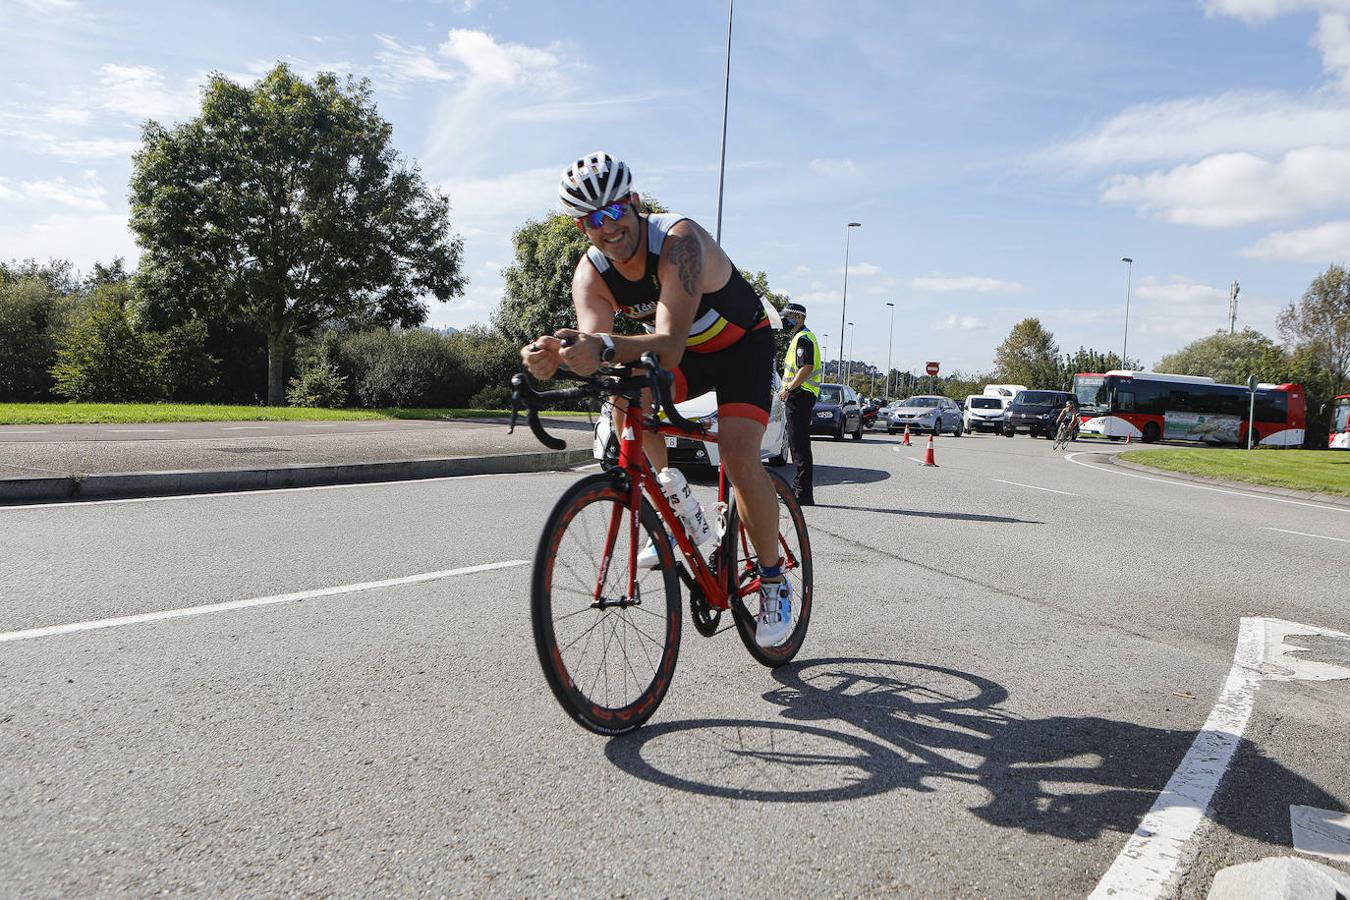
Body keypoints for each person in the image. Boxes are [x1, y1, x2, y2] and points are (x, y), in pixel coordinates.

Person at [520, 151, 793, 648]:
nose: (609, 227)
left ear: (635, 203)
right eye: (593, 219)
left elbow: (667, 344)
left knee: (736, 453)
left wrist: (598, 348)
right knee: (625, 393)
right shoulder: (592, 274)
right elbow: (598, 350)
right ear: (583, 227)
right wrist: (558, 356)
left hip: (740, 347)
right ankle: (672, 497)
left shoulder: (679, 242)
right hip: (684, 357)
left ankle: (774, 580)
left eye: (615, 211)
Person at [776, 302, 819, 506]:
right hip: (799, 396)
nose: (786, 320)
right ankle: (799, 490)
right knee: (797, 444)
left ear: (800, 317)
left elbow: (806, 367)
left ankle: (803, 493)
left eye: (789, 316)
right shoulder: (799, 338)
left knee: (799, 445)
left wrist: (788, 388)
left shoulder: (803, 339)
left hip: (800, 395)